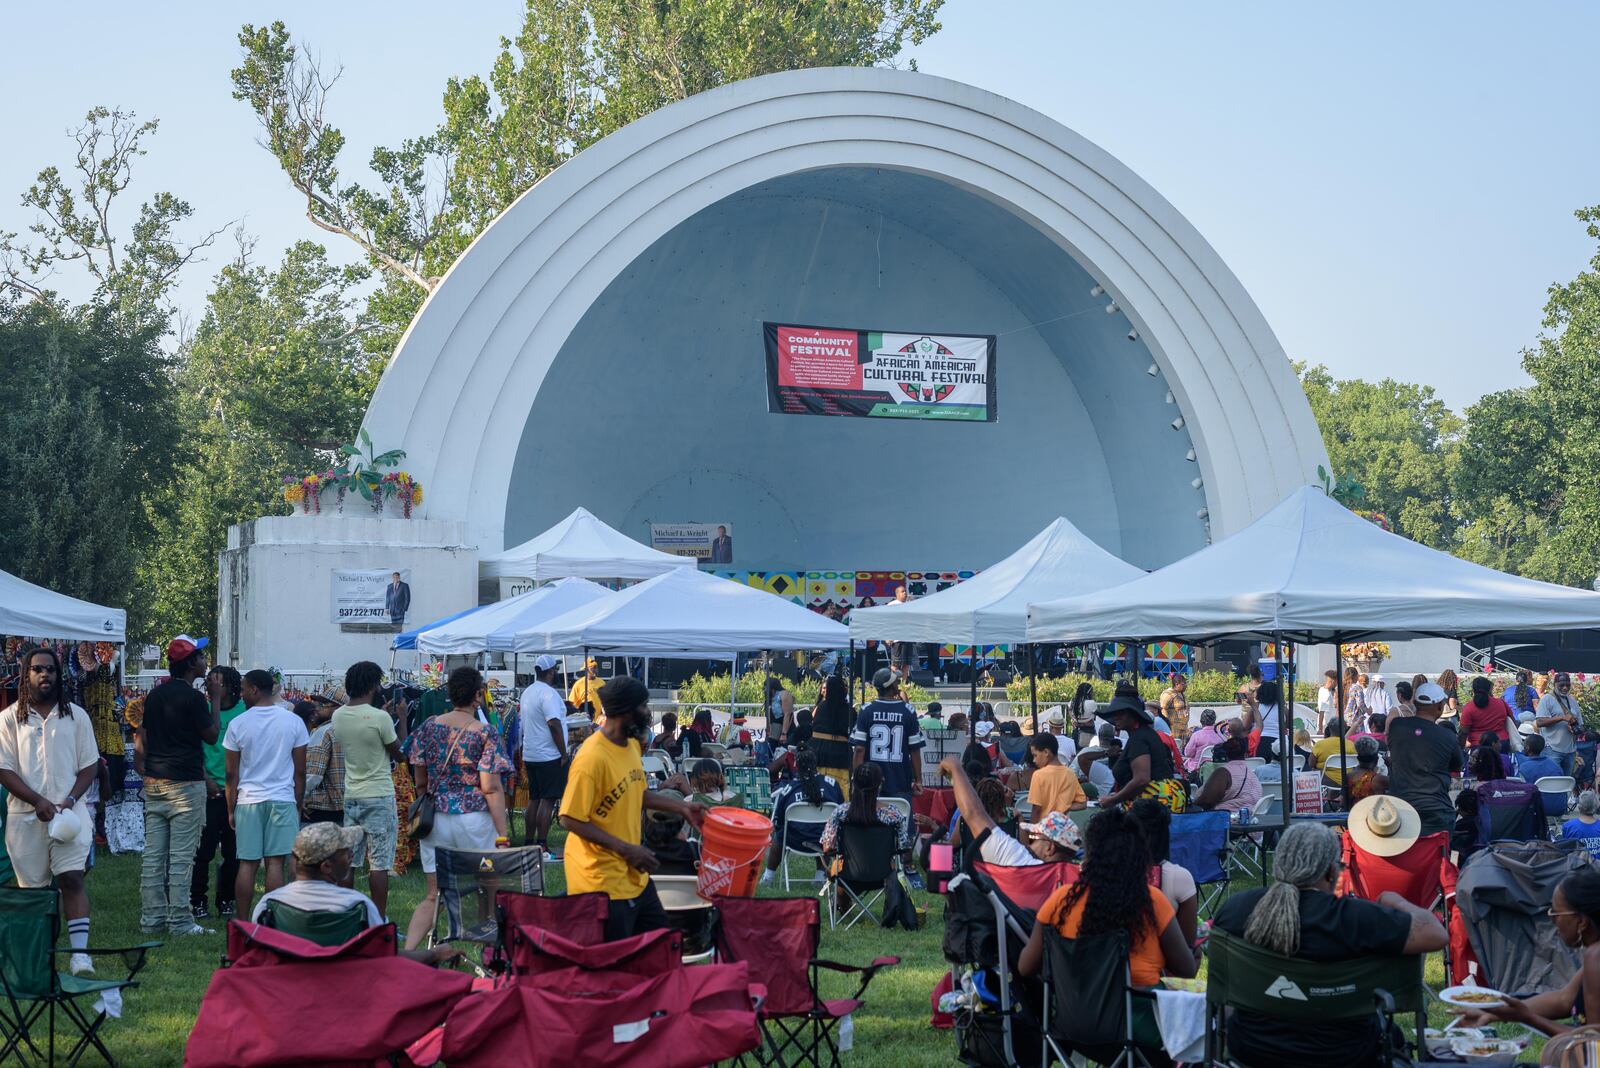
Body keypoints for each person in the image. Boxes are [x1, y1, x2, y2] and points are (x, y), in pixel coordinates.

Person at [1213, 820, 1446, 1068]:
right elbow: (1436, 934)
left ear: (1279, 863)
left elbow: (1224, 996)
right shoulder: (1356, 917)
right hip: (1348, 1054)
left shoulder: (1235, 910)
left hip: (1254, 1050)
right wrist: (1394, 899)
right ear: (1330, 872)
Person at [1019, 807, 1197, 1058]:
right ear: (1138, 855)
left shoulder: (1060, 901)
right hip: (1139, 1030)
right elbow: (1187, 968)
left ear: (1090, 854)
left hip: (1073, 1027)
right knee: (1214, 1022)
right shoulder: (1151, 901)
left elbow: (1026, 967)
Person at [560, 677, 705, 941]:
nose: (648, 714)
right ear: (626, 712)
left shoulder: (629, 747)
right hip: (599, 881)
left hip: (632, 874)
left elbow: (636, 792)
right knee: (615, 966)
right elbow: (570, 819)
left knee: (661, 946)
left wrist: (682, 808)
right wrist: (626, 849)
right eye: (644, 707)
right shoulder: (591, 758)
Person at [0, 647, 101, 975]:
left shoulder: (77, 716)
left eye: (51, 670)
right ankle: (40, 958)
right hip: (24, 819)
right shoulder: (8, 719)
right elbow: (4, 770)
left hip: (70, 816)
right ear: (25, 675)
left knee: (71, 879)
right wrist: (38, 802)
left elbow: (89, 766)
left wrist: (68, 801)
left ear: (59, 675)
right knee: (35, 893)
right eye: (37, 669)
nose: (45, 675)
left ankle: (79, 955)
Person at [404, 666, 514, 950]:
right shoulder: (485, 732)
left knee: (433, 895)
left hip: (435, 818)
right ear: (478, 695)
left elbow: (419, 780)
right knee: (486, 888)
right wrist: (502, 834)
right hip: (474, 818)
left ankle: (407, 954)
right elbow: (490, 787)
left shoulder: (428, 726)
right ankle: (487, 949)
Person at [253, 823, 460, 966]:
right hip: (349, 997)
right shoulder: (357, 906)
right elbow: (389, 956)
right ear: (326, 866)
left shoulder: (268, 904)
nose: (352, 855)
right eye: (346, 852)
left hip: (286, 996)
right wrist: (435, 953)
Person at [1462, 869, 1600, 1061]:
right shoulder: (1594, 952)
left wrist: (1528, 1017)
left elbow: (1592, 1043)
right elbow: (1564, 1000)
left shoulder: (1596, 956)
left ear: (1582, 921)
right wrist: (1493, 1011)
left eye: (1556, 913)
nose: (1552, 921)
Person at [135, 635, 218, 936]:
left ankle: (152, 920)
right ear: (191, 663)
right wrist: (217, 698)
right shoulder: (194, 698)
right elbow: (211, 735)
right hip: (185, 784)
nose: (205, 660)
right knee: (182, 857)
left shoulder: (155, 696)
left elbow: (143, 735)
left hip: (155, 782)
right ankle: (180, 922)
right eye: (201, 655)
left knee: (154, 856)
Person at [224, 669, 309, 920]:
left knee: (247, 864)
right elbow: (300, 771)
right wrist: (298, 802)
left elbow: (231, 774)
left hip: (248, 801)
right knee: (275, 864)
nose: (240, 695)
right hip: (282, 799)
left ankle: (242, 920)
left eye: (242, 689)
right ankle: (274, 920)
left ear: (254, 690)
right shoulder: (293, 721)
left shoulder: (238, 723)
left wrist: (231, 808)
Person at [331, 661, 402, 920]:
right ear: (373, 685)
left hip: (352, 795)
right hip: (379, 795)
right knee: (380, 864)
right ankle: (378, 920)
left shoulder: (338, 716)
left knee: (349, 860)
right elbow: (401, 754)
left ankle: (348, 916)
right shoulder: (381, 718)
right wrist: (401, 720)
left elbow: (362, 733)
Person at [938, 756, 1078, 867]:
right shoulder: (1069, 881)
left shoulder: (1016, 858)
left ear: (1050, 849)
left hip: (974, 884)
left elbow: (972, 815)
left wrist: (955, 769)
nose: (1031, 842)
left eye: (1035, 838)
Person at [192, 666, 245, 921]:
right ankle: (198, 901)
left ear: (232, 687)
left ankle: (226, 899)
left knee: (234, 852)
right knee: (204, 851)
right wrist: (205, 779)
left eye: (219, 683)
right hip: (209, 791)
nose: (214, 687)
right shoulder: (202, 711)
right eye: (211, 682)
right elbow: (193, 748)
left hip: (236, 793)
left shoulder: (244, 711)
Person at [1385, 681, 1462, 836]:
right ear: (1440, 707)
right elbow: (1457, 766)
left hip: (1399, 808)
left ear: (1415, 703)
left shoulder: (1397, 726)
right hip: (1437, 811)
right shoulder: (1447, 736)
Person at [761, 750, 844, 885]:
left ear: (797, 766)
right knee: (825, 832)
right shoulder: (832, 785)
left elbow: (779, 821)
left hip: (794, 840)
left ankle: (768, 877)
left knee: (779, 836)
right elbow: (841, 813)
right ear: (816, 764)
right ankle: (819, 876)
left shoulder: (788, 788)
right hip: (824, 843)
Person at [1100, 685, 1185, 812]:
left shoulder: (1139, 739)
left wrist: (1113, 800)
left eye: (1121, 713)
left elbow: (1142, 779)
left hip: (1148, 811)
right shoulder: (1147, 735)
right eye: (1114, 713)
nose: (1116, 717)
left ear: (1133, 714)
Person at [517, 655, 569, 862]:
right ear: (550, 672)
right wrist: (563, 753)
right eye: (555, 669)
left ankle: (529, 843)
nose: (556, 672)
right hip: (549, 754)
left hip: (531, 753)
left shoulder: (527, 692)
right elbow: (554, 724)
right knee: (548, 801)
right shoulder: (549, 694)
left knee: (534, 799)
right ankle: (542, 846)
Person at [1129, 798, 1199, 946]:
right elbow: (1188, 943)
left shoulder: (1107, 871)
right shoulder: (1179, 877)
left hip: (1112, 962)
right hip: (1161, 962)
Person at [850, 668, 926, 802]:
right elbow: (915, 750)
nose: (898, 683)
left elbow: (859, 749)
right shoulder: (907, 711)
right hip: (900, 783)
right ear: (891, 686)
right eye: (896, 681)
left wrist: (857, 781)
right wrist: (918, 780)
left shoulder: (866, 710)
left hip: (870, 784)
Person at [819, 762, 911, 862]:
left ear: (854, 783)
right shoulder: (892, 813)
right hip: (884, 873)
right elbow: (904, 847)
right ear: (880, 784)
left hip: (848, 874)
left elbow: (827, 847)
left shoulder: (840, 812)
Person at [301, 697, 344, 826]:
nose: (316, 709)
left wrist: (299, 798)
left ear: (337, 708)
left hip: (319, 807)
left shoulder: (324, 732)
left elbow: (313, 774)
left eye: (323, 704)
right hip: (343, 806)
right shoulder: (352, 729)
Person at [1195, 731, 1263, 814]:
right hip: (1247, 816)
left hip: (1222, 819)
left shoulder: (1223, 773)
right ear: (1245, 754)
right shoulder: (1252, 776)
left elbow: (1206, 800)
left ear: (1226, 753)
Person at [1025, 733, 1087, 819]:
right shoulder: (1070, 774)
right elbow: (1083, 804)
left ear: (1046, 752)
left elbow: (1036, 809)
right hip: (1062, 828)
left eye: (1035, 755)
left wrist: (1032, 830)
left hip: (1044, 828)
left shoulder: (1038, 775)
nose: (1034, 760)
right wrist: (1065, 807)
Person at [1537, 672, 1581, 776]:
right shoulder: (1547, 699)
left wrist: (1576, 728)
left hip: (1570, 751)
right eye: (1561, 685)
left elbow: (1581, 723)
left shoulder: (1572, 700)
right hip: (1552, 750)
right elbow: (1539, 722)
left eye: (1567, 685)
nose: (1565, 688)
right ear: (1554, 684)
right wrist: (1561, 718)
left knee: (1565, 784)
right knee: (1552, 782)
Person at [1460, 676, 1512, 747]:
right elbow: (1512, 722)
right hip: (1501, 742)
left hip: (1478, 745)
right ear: (1489, 689)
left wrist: (1460, 748)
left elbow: (1464, 732)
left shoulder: (1469, 707)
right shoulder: (1501, 703)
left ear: (1473, 690)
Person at [1076, 722, 1121, 796]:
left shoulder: (1086, 752)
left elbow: (1073, 771)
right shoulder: (1121, 754)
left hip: (1088, 793)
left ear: (1099, 736)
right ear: (1113, 737)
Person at [1245, 680, 1286, 763]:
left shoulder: (1255, 707)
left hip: (1258, 742)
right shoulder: (1284, 710)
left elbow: (1245, 727)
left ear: (1260, 693)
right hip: (1278, 743)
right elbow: (1286, 727)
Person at [1182, 708, 1226, 773]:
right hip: (1216, 769)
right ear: (1214, 721)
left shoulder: (1196, 735)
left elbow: (1187, 753)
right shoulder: (1221, 737)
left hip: (1197, 769)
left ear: (1201, 721)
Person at [1311, 717, 1352, 786]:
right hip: (1348, 779)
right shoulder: (1351, 744)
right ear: (1344, 729)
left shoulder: (1320, 744)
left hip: (1326, 780)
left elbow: (1311, 763)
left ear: (1329, 728)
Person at [1346, 737, 1389, 801]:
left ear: (1358, 758)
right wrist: (1391, 766)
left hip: (1353, 810)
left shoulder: (1348, 777)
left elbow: (1343, 801)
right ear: (1376, 760)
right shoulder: (1379, 779)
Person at [568, 658, 606, 722]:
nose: (595, 670)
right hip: (585, 721)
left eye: (596, 668)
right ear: (586, 670)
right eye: (592, 668)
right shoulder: (578, 684)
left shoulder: (602, 683)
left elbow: (606, 700)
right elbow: (571, 703)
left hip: (599, 721)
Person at [764, 677, 795, 748]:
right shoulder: (770, 697)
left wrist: (784, 733)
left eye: (766, 687)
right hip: (773, 731)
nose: (765, 690)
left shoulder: (784, 694)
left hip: (783, 730)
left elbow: (787, 714)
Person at [1341, 666, 1370, 734]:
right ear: (1355, 676)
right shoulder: (1356, 688)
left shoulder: (1342, 687)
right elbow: (1360, 704)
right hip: (1354, 720)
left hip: (1344, 719)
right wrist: (1368, 710)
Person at [1069, 682, 1098, 747]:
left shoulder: (1073, 702)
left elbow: (1069, 710)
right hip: (1089, 731)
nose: (1093, 693)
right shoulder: (1091, 703)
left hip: (1076, 731)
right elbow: (1095, 716)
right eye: (1092, 691)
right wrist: (1084, 723)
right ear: (1088, 692)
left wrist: (1074, 720)